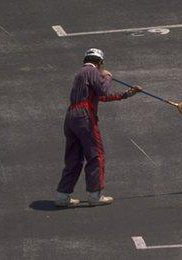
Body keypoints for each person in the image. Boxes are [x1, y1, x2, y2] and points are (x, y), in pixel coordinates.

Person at [55, 48, 142, 207]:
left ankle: (62, 196)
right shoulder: (92, 71)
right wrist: (107, 77)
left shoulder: (80, 74)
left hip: (71, 117)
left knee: (74, 158)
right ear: (99, 62)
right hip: (84, 118)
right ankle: (95, 195)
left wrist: (127, 94)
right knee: (96, 155)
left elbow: (101, 96)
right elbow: (103, 89)